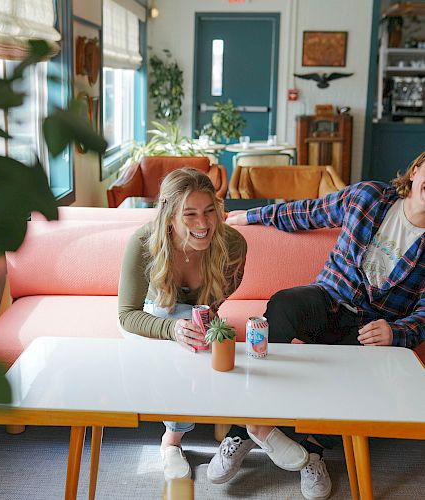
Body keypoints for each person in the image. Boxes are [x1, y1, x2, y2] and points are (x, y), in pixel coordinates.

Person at [208, 151, 425, 500]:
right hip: (326, 298)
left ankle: (312, 452)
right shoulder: (368, 196)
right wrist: (252, 215)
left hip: (371, 324)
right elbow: (309, 212)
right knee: (283, 303)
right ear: (415, 171)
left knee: (360, 372)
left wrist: (396, 332)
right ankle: (247, 428)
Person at [118, 167, 250, 481]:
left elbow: (216, 302)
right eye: (189, 214)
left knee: (204, 335)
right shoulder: (143, 242)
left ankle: (254, 426)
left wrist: (202, 321)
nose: (202, 223)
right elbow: (126, 314)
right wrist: (174, 329)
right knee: (173, 317)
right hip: (153, 319)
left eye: (209, 211)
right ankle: (171, 441)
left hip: (195, 317)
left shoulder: (234, 245)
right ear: (169, 215)